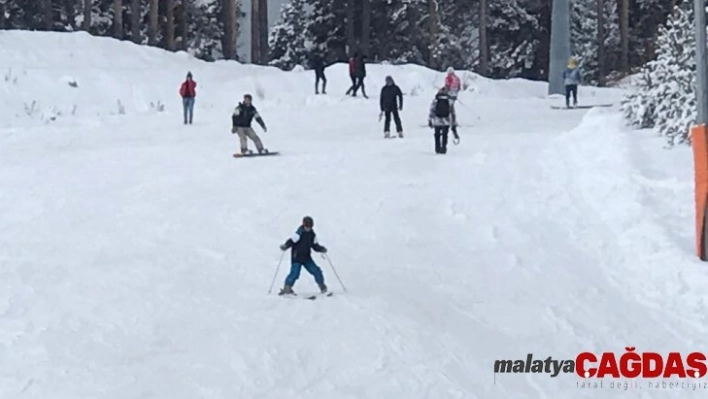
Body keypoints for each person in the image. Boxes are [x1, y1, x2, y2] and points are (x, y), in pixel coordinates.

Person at [278, 216, 328, 295]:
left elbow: (315, 246)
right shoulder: (299, 232)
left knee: (316, 271)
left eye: (310, 227)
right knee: (294, 273)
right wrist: (285, 246)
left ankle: (322, 286)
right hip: (297, 257)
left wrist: (321, 248)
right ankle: (287, 288)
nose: (308, 228)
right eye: (307, 226)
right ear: (304, 224)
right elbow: (291, 241)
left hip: (306, 258)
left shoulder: (312, 234)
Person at [428, 87, 459, 154]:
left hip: (437, 120)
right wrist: (453, 123)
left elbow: (432, 110)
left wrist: (430, 120)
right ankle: (444, 147)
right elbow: (452, 112)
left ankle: (437, 148)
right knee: (445, 134)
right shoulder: (449, 100)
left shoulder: (436, 100)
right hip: (446, 120)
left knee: (437, 134)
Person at [444, 67, 461, 134]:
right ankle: (453, 120)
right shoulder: (457, 78)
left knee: (448, 108)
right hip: (455, 95)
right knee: (452, 108)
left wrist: (445, 92)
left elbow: (447, 86)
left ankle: (449, 121)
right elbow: (459, 87)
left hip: (449, 95)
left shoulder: (448, 78)